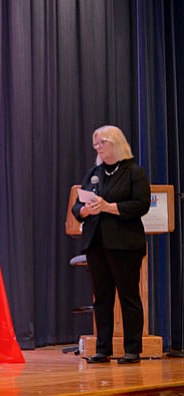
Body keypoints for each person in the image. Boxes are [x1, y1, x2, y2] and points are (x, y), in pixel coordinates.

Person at [72, 125, 150, 365]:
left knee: (128, 296)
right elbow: (76, 207)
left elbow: (141, 205)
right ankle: (102, 348)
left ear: (116, 143)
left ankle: (132, 350)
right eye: (95, 144)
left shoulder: (133, 172)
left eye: (102, 142)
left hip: (124, 245)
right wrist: (84, 210)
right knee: (102, 298)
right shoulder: (93, 173)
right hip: (97, 244)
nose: (98, 147)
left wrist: (109, 208)